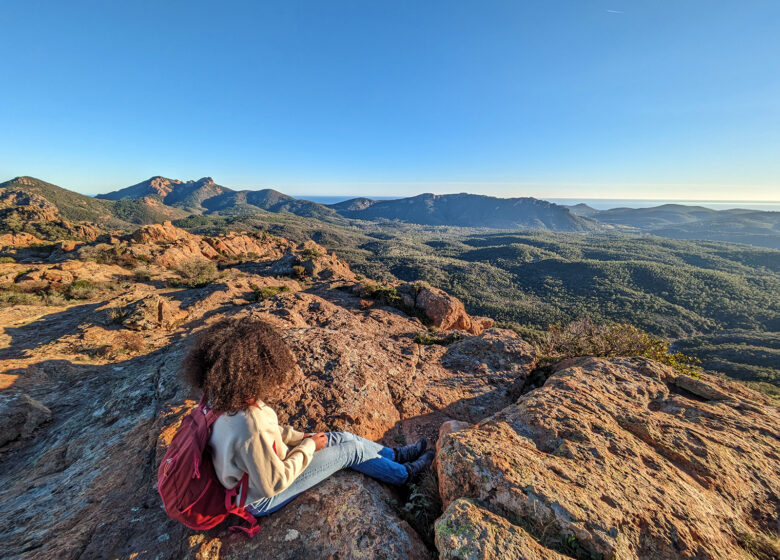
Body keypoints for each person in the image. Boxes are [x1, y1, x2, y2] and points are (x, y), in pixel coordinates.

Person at [181, 317, 434, 517]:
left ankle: (394, 456)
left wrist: (303, 438)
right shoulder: (248, 424)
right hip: (259, 499)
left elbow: (274, 431)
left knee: (340, 436)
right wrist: (308, 447)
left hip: (256, 472)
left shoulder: (222, 399)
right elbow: (273, 483)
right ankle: (405, 475)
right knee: (351, 450)